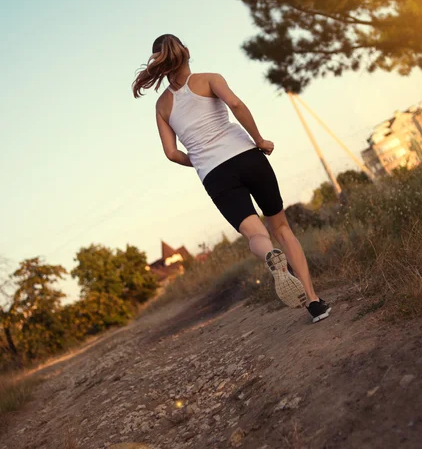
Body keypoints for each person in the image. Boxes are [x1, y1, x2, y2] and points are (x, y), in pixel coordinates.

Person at [133, 34, 331, 323]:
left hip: (215, 174)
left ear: (160, 65)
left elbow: (172, 153)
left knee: (256, 234)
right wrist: (259, 139)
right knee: (282, 227)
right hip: (247, 157)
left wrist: (200, 160)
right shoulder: (210, 78)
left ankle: (271, 259)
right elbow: (236, 105)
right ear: (187, 52)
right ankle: (313, 302)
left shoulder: (162, 106)